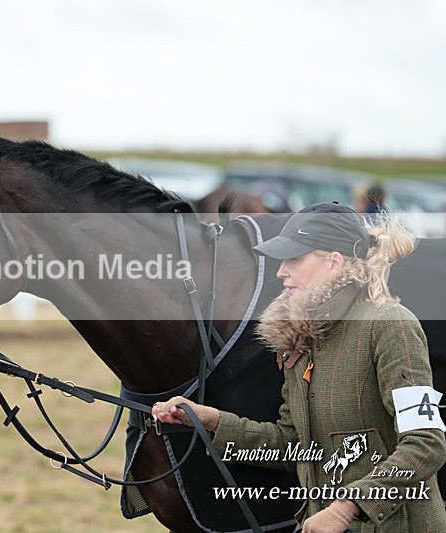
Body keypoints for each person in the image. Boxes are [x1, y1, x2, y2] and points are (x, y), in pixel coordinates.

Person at [153, 202, 446, 532]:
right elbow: (294, 446)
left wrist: (347, 508)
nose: (280, 272)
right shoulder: (301, 339)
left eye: (294, 258)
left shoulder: (390, 326)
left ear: (334, 262)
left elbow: (426, 444)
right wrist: (210, 420)